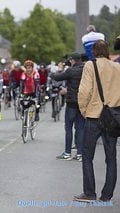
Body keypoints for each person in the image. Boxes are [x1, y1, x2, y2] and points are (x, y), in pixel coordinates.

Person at [74, 40, 120, 202]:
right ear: (107, 51)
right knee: (111, 157)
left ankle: (89, 192)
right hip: (113, 117)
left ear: (93, 52)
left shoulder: (90, 66)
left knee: (87, 155)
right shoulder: (117, 67)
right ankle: (107, 195)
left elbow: (84, 91)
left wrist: (85, 110)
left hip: (94, 116)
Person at [52, 53, 85, 161]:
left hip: (71, 103)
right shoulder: (85, 69)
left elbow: (57, 78)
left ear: (72, 60)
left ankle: (67, 153)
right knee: (80, 128)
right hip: (82, 103)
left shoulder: (70, 70)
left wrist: (60, 69)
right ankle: (80, 154)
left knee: (68, 128)